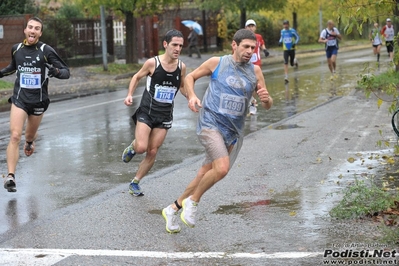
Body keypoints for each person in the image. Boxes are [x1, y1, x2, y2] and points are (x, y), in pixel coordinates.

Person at [161, 29, 273, 234]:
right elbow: (190, 78)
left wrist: (267, 100)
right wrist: (192, 96)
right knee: (221, 169)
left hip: (233, 131)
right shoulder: (217, 62)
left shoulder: (255, 71)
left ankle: (172, 208)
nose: (249, 51)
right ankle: (192, 202)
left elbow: (267, 104)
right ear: (234, 45)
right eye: (245, 47)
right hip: (210, 123)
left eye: (252, 48)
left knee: (205, 173)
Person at [0, 17, 70, 193]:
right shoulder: (17, 49)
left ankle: (30, 142)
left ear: (40, 33)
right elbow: (13, 67)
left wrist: (55, 71)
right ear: (25, 30)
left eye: (37, 28)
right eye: (30, 27)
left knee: (28, 135)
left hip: (38, 101)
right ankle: (10, 176)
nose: (33, 31)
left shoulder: (46, 50)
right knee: (15, 135)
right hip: (20, 98)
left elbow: (66, 72)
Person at [122, 30, 187, 196]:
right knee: (142, 147)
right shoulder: (153, 63)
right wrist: (129, 94)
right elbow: (136, 77)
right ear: (165, 44)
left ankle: (135, 182)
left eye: (180, 45)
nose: (178, 48)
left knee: (152, 151)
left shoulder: (181, 67)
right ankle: (133, 147)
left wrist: (192, 98)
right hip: (147, 112)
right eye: (174, 45)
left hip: (164, 115)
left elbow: (182, 87)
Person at [245, 19, 269, 115]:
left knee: (255, 85)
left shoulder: (258, 37)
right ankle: (250, 101)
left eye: (252, 26)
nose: (251, 28)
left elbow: (262, 44)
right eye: (249, 26)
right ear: (245, 28)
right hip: (245, 64)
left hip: (256, 64)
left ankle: (252, 103)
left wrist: (265, 50)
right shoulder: (243, 38)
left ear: (255, 27)